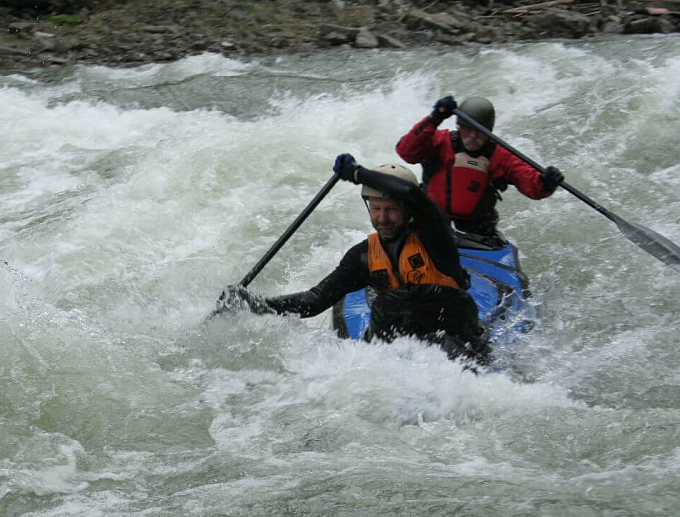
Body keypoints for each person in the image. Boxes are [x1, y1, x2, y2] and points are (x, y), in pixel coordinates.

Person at [217, 154, 491, 364]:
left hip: (455, 336)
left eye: (391, 210)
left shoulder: (434, 235)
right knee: (386, 312)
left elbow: (412, 193)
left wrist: (358, 174)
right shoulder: (364, 255)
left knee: (396, 303)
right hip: (407, 348)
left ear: (408, 211)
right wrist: (256, 303)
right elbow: (314, 301)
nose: (382, 219)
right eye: (376, 209)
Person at [395, 95, 565, 245]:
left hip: (477, 230)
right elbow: (406, 151)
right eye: (468, 129)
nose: (473, 136)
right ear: (459, 127)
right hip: (432, 221)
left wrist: (546, 182)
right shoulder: (440, 141)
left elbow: (531, 184)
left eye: (479, 132)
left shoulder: (502, 156)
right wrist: (434, 119)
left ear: (489, 132)